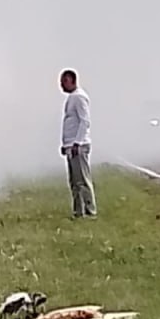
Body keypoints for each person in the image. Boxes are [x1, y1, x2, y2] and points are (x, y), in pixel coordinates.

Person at [60, 69, 96, 218]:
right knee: (74, 182)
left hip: (78, 146)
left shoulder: (79, 97)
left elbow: (84, 121)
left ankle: (90, 210)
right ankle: (78, 211)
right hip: (71, 145)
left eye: (64, 82)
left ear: (72, 81)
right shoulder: (72, 98)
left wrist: (77, 143)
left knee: (82, 180)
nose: (62, 86)